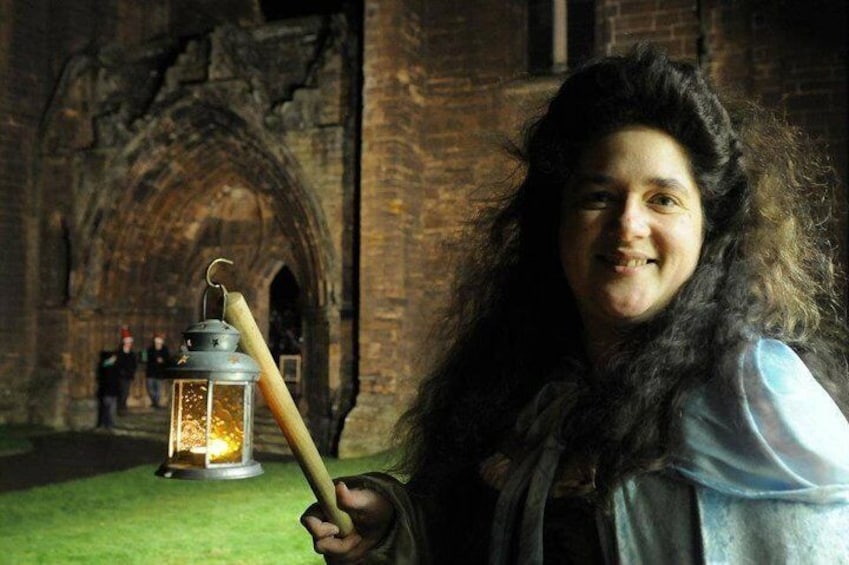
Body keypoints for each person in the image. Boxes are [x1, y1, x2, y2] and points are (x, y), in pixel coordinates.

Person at [301, 44, 849, 563]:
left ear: (708, 229)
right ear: (557, 224)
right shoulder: (525, 387)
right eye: (599, 197)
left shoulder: (756, 394)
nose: (628, 225)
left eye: (663, 199)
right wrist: (396, 526)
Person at [114, 326, 137, 416]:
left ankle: (122, 407)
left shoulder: (131, 353)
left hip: (128, 376)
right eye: (127, 342)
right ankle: (121, 408)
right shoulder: (119, 352)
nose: (129, 344)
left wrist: (131, 372)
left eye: (130, 343)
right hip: (120, 376)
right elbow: (117, 363)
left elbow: (133, 364)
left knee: (125, 392)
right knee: (121, 392)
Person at [145, 332, 169, 408]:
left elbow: (167, 360)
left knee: (158, 389)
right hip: (150, 372)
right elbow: (147, 359)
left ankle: (156, 403)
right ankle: (154, 401)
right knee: (150, 389)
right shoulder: (150, 349)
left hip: (159, 373)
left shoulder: (165, 350)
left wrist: (163, 361)